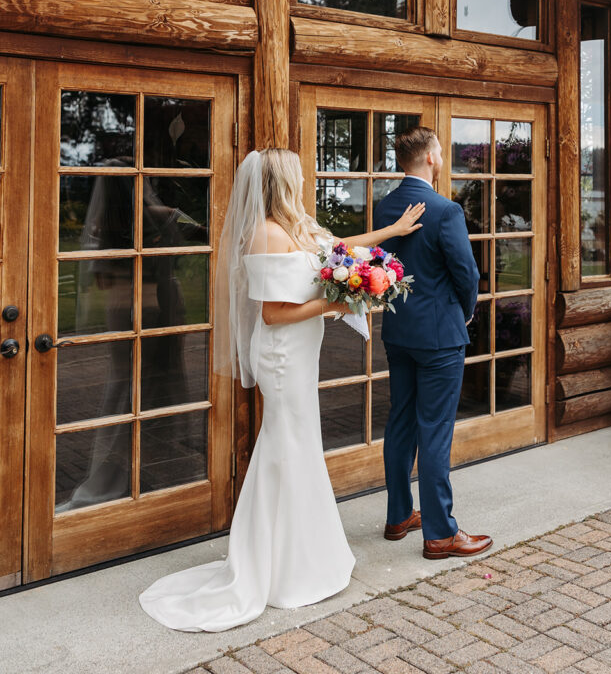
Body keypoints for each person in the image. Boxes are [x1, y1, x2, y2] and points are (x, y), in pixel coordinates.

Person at [139, 147, 425, 632]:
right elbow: (273, 314)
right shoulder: (265, 234)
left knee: (297, 447)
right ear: (279, 181)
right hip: (281, 356)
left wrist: (390, 236)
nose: (303, 178)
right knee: (288, 447)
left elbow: (337, 245)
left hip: (300, 354)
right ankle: (281, 568)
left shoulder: (295, 225)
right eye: (295, 173)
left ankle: (299, 555)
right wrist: (335, 303)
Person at [373, 126, 493, 560]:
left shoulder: (383, 206)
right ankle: (441, 534)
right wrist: (464, 312)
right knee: (436, 430)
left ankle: (398, 516)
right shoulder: (447, 211)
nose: (443, 157)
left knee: (401, 420)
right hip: (440, 335)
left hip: (399, 331)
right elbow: (466, 274)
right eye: (440, 150)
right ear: (429, 158)